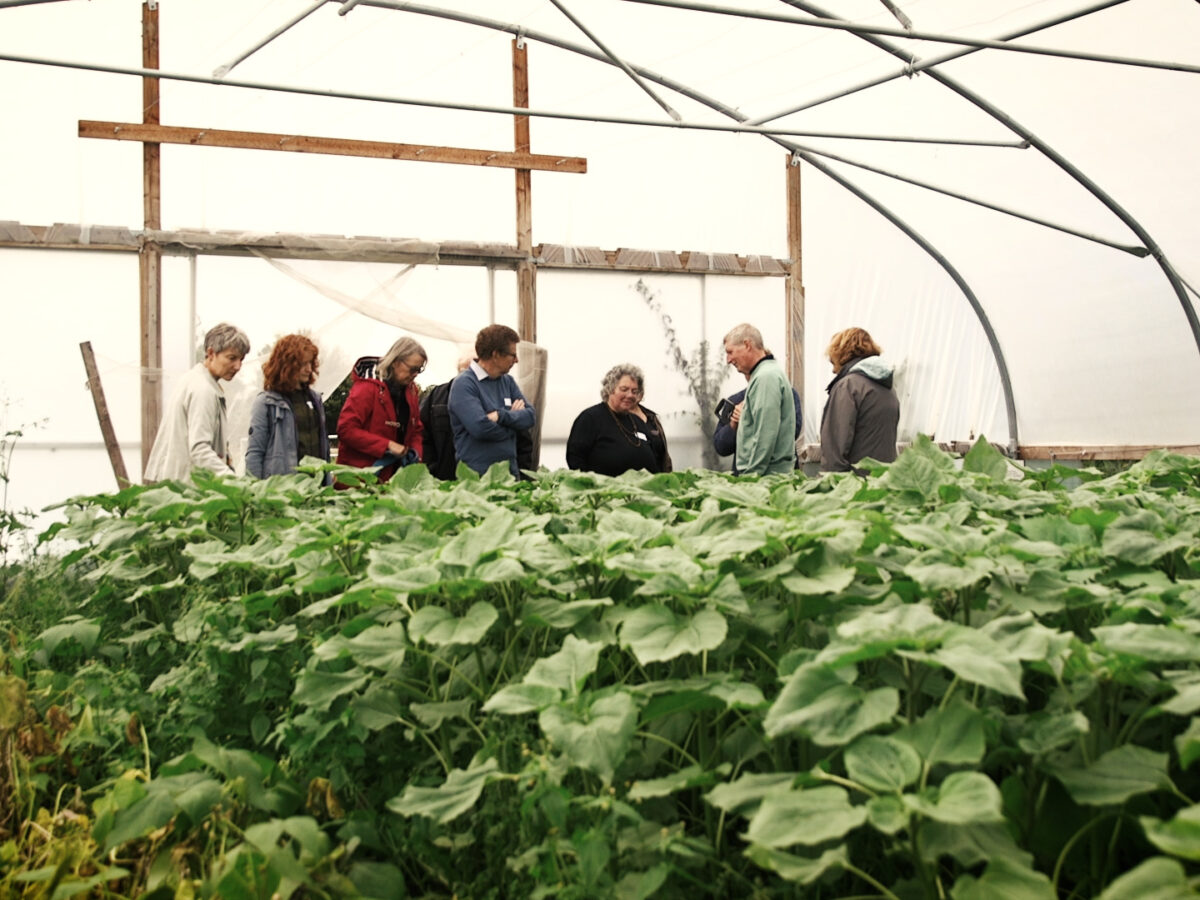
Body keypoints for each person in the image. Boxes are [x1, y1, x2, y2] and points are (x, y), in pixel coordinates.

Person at [144, 322, 250, 482]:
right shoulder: (203, 390)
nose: (238, 366)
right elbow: (199, 449)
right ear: (211, 353)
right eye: (232, 358)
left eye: (241, 359)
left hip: (177, 483)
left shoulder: (194, 379)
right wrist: (233, 481)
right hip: (187, 488)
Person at [448, 324, 536, 478]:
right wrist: (513, 425)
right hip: (478, 479)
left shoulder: (507, 382)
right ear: (496, 354)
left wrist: (501, 416)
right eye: (512, 355)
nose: (517, 360)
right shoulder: (464, 384)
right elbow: (481, 429)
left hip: (510, 475)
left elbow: (530, 416)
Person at [336, 336, 426, 483]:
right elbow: (346, 429)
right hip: (359, 479)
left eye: (419, 370)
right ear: (396, 362)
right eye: (412, 369)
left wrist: (416, 453)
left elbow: (416, 430)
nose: (415, 374)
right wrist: (387, 446)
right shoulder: (366, 388)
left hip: (395, 478)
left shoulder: (411, 391)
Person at [245, 334, 330, 480]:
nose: (309, 369)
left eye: (311, 363)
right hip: (284, 490)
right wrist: (254, 490)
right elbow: (255, 453)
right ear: (287, 365)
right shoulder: (266, 403)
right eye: (303, 364)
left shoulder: (315, 400)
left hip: (316, 485)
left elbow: (324, 449)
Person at [819, 327, 900, 473]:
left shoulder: (849, 386)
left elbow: (835, 448)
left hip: (855, 487)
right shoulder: (888, 388)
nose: (833, 371)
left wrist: (830, 487)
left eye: (833, 362)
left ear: (843, 354)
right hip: (882, 483)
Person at [566, 364, 671, 476]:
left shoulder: (638, 422)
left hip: (643, 491)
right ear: (610, 389)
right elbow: (575, 459)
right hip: (606, 491)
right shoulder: (590, 418)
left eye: (634, 391)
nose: (630, 395)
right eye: (624, 389)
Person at [722, 323, 796, 476]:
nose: (728, 360)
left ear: (747, 345)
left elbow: (765, 433)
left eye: (730, 352)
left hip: (766, 478)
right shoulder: (766, 373)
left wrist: (752, 477)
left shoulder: (766, 378)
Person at [713, 384, 802, 475]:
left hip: (781, 477)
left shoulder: (787, 394)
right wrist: (733, 424)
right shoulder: (736, 401)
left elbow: (792, 432)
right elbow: (721, 447)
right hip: (746, 479)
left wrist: (749, 421)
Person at [419, 354, 472, 481]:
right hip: (442, 479)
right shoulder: (437, 395)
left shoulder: (494, 397)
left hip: (480, 480)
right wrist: (430, 471)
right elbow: (422, 434)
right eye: (464, 370)